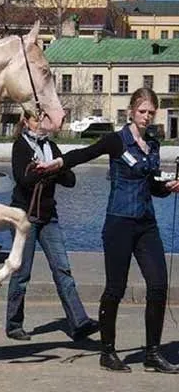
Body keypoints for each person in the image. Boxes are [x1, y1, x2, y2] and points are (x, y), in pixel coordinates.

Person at [36, 87, 179, 373]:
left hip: (146, 224)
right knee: (116, 288)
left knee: (159, 285)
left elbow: (152, 186)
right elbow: (85, 153)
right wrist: (58, 163)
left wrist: (168, 188)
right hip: (119, 223)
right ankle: (108, 351)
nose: (147, 116)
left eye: (151, 112)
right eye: (142, 111)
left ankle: (152, 352)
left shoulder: (153, 143)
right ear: (131, 111)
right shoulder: (116, 141)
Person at [5, 109, 99, 342]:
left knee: (62, 269)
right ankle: (14, 324)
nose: (40, 123)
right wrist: (43, 171)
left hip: (49, 217)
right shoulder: (20, 146)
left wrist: (52, 168)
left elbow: (71, 180)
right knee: (21, 272)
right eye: (36, 118)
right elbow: (22, 180)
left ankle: (79, 322)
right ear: (26, 121)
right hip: (23, 217)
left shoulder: (51, 147)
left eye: (43, 119)